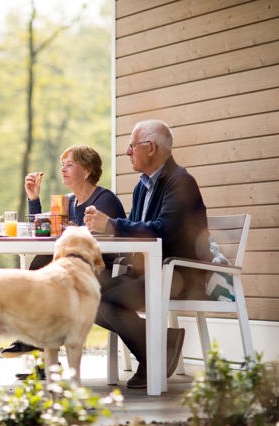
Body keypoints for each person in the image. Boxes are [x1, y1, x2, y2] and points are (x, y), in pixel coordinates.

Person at [84, 119, 211, 389]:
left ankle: (152, 357)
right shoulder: (142, 185)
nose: (127, 152)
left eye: (131, 146)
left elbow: (162, 231)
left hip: (181, 274)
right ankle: (162, 344)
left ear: (150, 147)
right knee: (88, 297)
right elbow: (137, 232)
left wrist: (111, 225)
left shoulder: (181, 182)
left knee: (110, 302)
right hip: (149, 272)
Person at [2, 144, 126, 359]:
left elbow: (100, 248)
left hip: (101, 272)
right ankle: (40, 349)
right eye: (62, 165)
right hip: (73, 271)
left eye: (70, 165)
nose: (63, 169)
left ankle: (35, 342)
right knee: (42, 263)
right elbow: (46, 231)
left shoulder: (104, 199)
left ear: (87, 171)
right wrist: (33, 198)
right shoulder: (68, 201)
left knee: (46, 276)